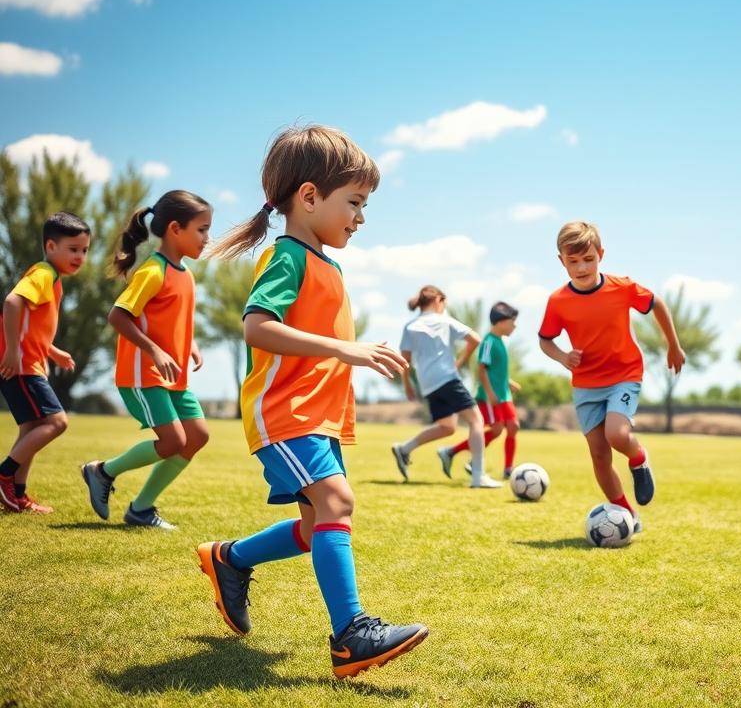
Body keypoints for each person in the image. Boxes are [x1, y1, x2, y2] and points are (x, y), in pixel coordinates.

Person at [194, 124, 427, 678]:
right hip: (285, 412)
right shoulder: (288, 257)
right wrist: (347, 350)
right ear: (308, 197)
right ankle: (351, 635)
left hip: (319, 418)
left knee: (312, 525)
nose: (360, 217)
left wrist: (347, 359)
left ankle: (228, 559)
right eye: (354, 202)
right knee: (337, 505)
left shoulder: (328, 263)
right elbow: (257, 327)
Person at [539, 221, 685, 532]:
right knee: (599, 455)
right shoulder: (557, 301)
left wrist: (673, 345)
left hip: (624, 374)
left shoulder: (621, 287)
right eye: (573, 261)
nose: (581, 267)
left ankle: (639, 458)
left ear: (601, 254)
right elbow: (545, 339)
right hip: (585, 384)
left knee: (617, 435)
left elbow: (656, 302)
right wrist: (563, 357)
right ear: (561, 260)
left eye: (588, 259)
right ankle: (627, 514)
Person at [81, 190, 212, 529]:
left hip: (173, 377)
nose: (206, 238)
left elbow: (170, 318)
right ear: (175, 229)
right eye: (201, 229)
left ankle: (140, 509)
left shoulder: (184, 273)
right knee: (173, 442)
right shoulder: (153, 271)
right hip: (143, 375)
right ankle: (102, 471)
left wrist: (191, 342)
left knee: (196, 436)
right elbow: (119, 316)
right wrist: (154, 351)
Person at [0, 212, 90, 514]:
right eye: (73, 249)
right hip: (22, 365)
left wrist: (51, 351)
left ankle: (18, 496)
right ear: (51, 247)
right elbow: (13, 303)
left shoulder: (52, 278)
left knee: (32, 427)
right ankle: (4, 474)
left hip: (31, 361)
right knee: (56, 422)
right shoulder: (44, 273)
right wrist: (12, 350)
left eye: (84, 250)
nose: (80, 256)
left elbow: (31, 324)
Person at [390, 286, 502, 488]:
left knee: (447, 427)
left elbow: (404, 360)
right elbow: (475, 339)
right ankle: (478, 477)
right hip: (447, 378)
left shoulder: (410, 326)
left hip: (427, 384)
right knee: (477, 420)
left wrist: (407, 384)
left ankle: (404, 449)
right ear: (438, 300)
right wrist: (461, 361)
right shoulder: (444, 321)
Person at [438, 301, 521, 480]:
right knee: (497, 430)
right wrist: (490, 392)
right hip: (491, 396)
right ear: (500, 322)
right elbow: (482, 368)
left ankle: (508, 469)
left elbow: (497, 370)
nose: (514, 325)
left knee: (513, 426)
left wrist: (508, 382)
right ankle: (451, 452)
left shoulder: (500, 341)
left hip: (504, 395)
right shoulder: (489, 342)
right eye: (512, 322)